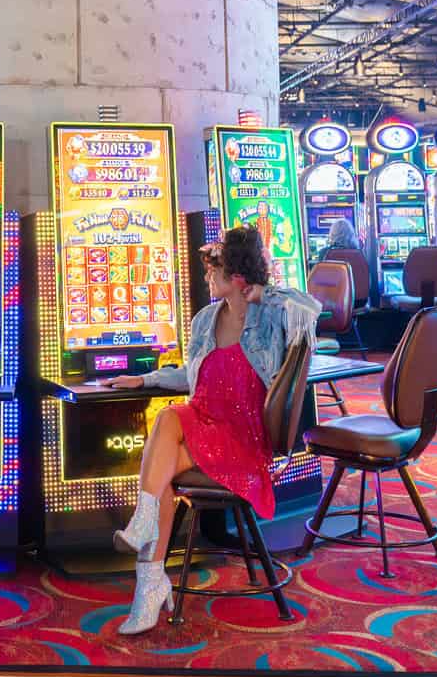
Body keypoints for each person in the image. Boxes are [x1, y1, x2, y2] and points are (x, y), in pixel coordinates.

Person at [107, 226, 321, 635]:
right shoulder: (206, 318)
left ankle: (146, 544)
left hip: (243, 437)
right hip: (203, 422)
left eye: (214, 272)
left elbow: (312, 309)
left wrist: (261, 293)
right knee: (168, 439)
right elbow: (191, 374)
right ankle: (149, 585)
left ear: (238, 280)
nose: (207, 278)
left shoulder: (271, 314)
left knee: (168, 424)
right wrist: (146, 380)